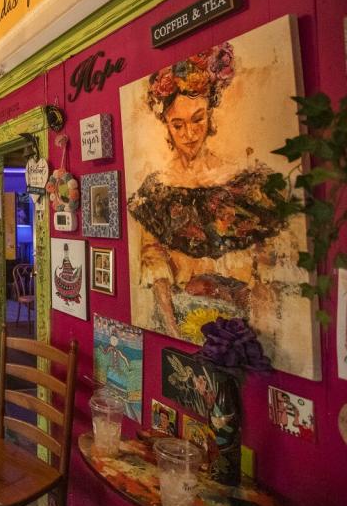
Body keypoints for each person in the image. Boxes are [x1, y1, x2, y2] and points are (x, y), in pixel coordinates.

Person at [127, 42, 297, 351]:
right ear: (166, 125)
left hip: (243, 333)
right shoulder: (154, 194)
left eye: (198, 120)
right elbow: (156, 272)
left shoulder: (247, 183)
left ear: (211, 116)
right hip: (181, 329)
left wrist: (253, 337)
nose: (190, 135)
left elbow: (266, 276)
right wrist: (174, 332)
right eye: (178, 125)